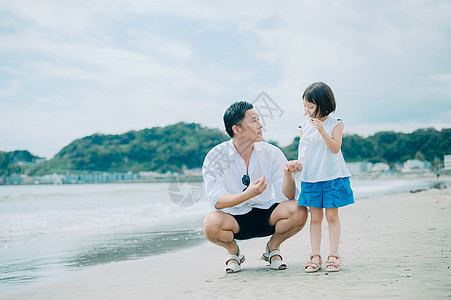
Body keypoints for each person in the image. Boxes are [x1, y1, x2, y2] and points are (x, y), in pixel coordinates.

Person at [202, 101, 308, 273]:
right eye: (254, 121)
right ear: (237, 129)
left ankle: (273, 248)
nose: (260, 125)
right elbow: (217, 201)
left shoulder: (271, 152)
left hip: (267, 213)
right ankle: (232, 252)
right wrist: (247, 194)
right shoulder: (216, 156)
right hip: (233, 217)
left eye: (259, 119)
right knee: (210, 224)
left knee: (299, 209)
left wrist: (288, 174)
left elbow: (288, 197)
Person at [294, 82, 355, 273]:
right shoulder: (303, 126)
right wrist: (296, 166)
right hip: (311, 178)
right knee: (315, 218)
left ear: (324, 103)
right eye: (305, 106)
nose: (307, 110)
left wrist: (321, 130)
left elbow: (335, 148)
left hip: (332, 176)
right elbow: (303, 153)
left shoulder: (336, 123)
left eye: (311, 106)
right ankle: (315, 255)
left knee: (331, 215)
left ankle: (333, 255)